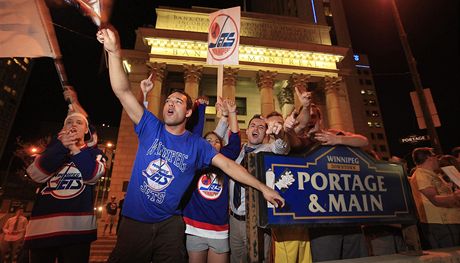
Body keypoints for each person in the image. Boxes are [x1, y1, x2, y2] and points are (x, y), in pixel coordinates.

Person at [97, 25, 284, 263]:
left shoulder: (197, 145)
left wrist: (263, 188)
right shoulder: (149, 127)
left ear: (187, 112)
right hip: (135, 223)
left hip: (170, 225)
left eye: (178, 101)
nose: (170, 103)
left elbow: (229, 167)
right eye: (168, 100)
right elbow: (122, 91)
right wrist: (114, 52)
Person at [24, 89, 106, 263]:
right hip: (41, 230)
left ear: (86, 131)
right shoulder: (52, 150)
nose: (74, 125)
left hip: (77, 231)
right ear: (62, 129)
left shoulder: (95, 153)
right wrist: (62, 147)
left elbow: (92, 175)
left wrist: (75, 150)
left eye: (79, 122)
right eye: (69, 123)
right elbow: (35, 174)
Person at [182, 98, 241, 263]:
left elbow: (235, 142)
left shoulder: (224, 160)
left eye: (217, 142)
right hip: (195, 228)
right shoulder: (197, 158)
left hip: (219, 230)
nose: (213, 144)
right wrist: (201, 108)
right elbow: (194, 134)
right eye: (208, 141)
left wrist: (232, 113)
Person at [229, 114, 289, 263]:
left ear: (266, 133)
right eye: (253, 126)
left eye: (261, 127)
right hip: (233, 220)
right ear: (247, 131)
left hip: (256, 221)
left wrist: (279, 134)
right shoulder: (239, 151)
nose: (256, 129)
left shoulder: (269, 149)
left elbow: (282, 147)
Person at [409, 147, 460, 249]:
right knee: (451, 254)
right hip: (441, 223)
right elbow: (435, 199)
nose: (438, 160)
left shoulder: (432, 174)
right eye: (436, 157)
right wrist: (455, 197)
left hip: (448, 222)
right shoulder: (421, 174)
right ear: (429, 158)